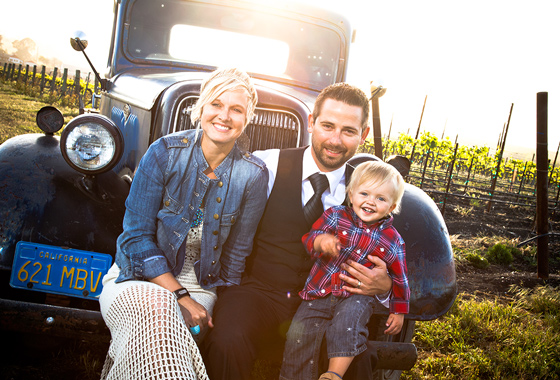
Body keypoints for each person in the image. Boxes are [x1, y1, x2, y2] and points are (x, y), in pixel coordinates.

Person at [203, 83, 394, 380]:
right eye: (327, 126)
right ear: (311, 122)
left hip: (330, 304)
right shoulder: (267, 164)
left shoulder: (369, 192)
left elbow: (390, 249)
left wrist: (384, 287)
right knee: (228, 338)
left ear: (364, 134)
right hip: (261, 292)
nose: (335, 140)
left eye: (348, 131)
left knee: (360, 357)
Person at [98, 67, 268, 380]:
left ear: (247, 118)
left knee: (165, 337)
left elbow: (236, 256)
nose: (224, 116)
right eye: (216, 104)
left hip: (201, 287)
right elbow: (135, 239)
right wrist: (179, 296)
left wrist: (222, 313)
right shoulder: (163, 153)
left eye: (236, 109)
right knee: (159, 317)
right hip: (137, 276)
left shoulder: (253, 175)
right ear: (202, 107)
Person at [280, 160, 410, 380]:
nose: (370, 202)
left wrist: (398, 311)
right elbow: (310, 238)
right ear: (351, 195)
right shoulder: (335, 216)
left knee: (347, 326)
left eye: (380, 198)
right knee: (300, 333)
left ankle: (333, 374)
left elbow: (400, 277)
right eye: (364, 194)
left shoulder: (393, 240)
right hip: (321, 290)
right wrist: (321, 241)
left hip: (356, 296)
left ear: (391, 206)